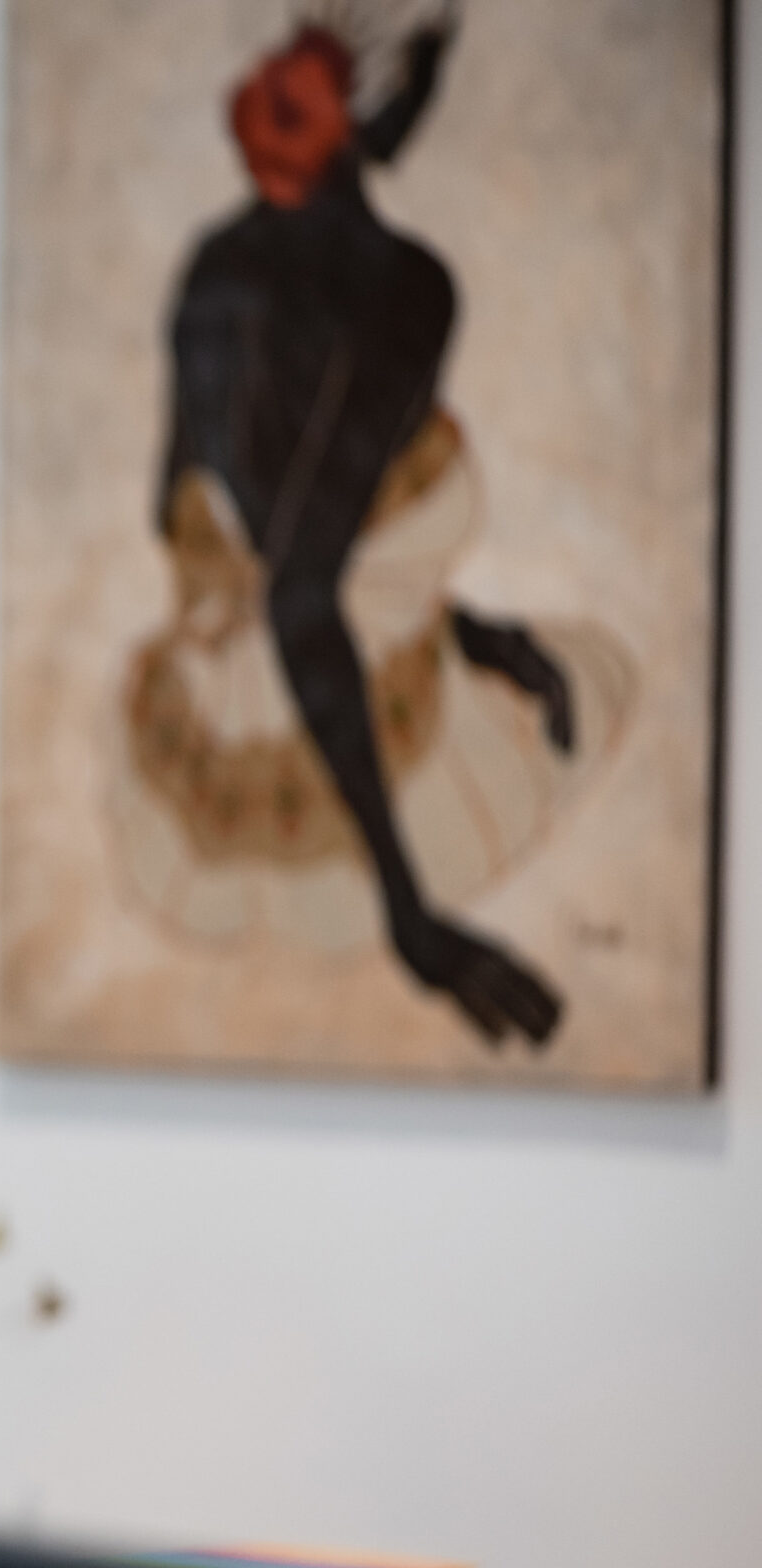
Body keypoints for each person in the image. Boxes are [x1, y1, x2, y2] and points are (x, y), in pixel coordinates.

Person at [115, 8, 629, 1046]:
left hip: (298, 689)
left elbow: (267, 551)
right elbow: (286, 582)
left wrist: (468, 638)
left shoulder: (238, 273)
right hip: (304, 742)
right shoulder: (372, 290)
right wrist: (410, 914)